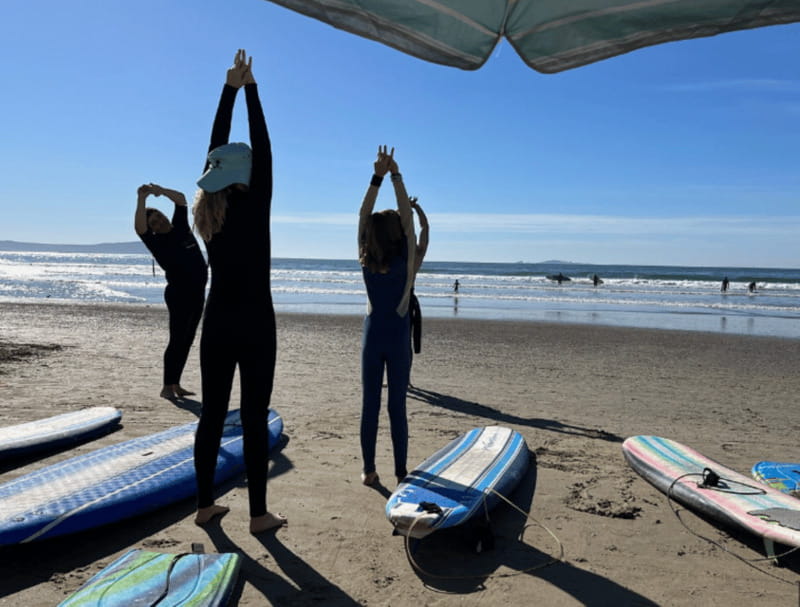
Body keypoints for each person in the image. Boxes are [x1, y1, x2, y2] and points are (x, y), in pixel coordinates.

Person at [191, 50, 285, 533]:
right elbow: (263, 147)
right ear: (247, 175)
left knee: (211, 415)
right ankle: (258, 515)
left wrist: (229, 89)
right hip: (256, 322)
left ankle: (205, 506)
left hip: (217, 320)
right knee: (252, 417)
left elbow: (215, 148)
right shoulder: (256, 202)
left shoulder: (209, 213)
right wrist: (251, 90)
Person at [358, 146, 417, 486]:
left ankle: (369, 470)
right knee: (397, 407)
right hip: (396, 338)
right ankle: (401, 472)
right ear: (398, 232)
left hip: (372, 336)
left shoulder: (365, 255)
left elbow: (362, 214)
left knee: (370, 405)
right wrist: (396, 175)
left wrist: (376, 178)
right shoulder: (406, 258)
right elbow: (407, 216)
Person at [135, 183, 208, 400]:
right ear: (152, 228)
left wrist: (161, 190)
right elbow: (139, 228)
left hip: (197, 293)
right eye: (154, 222)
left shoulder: (180, 226)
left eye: (159, 216)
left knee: (187, 340)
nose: (159, 221)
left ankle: (176, 383)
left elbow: (181, 200)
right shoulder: (156, 242)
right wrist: (142, 199)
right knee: (177, 340)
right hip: (179, 296)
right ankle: (167, 386)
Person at [408, 196, 429, 377]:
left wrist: (415, 207)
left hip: (406, 299)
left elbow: (425, 228)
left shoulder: (417, 254)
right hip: (400, 298)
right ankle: (402, 378)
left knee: (404, 341)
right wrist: (411, 208)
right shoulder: (402, 254)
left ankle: (405, 378)